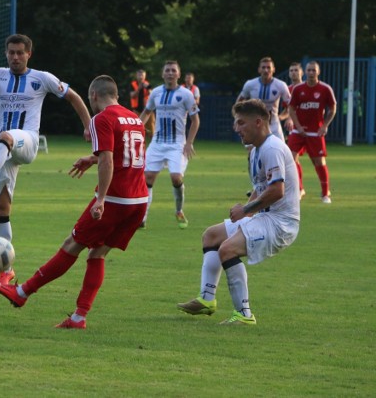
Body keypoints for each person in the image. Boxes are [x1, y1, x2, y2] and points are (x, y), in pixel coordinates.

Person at [0, 75, 148, 329]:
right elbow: (126, 154)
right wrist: (92, 158)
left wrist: (100, 199)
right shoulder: (134, 119)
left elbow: (109, 160)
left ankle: (21, 293)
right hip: (139, 200)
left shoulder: (102, 119)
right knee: (98, 253)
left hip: (115, 199)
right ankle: (79, 317)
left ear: (94, 96)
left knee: (71, 245)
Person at [0, 31, 92, 285]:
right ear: (6, 54)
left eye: (20, 53)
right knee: (1, 208)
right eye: (11, 52)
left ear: (29, 54)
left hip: (26, 141)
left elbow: (74, 97)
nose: (15, 57)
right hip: (3, 150)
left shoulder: (42, 78)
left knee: (5, 136)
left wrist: (87, 126)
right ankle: (6, 269)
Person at [177, 99, 300, 325]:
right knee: (211, 235)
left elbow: (277, 190)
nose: (236, 129)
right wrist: (248, 212)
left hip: (281, 224)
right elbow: (261, 187)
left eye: (241, 123)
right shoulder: (256, 151)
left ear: (259, 122)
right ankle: (206, 300)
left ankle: (244, 315)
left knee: (227, 249)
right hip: (266, 216)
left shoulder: (272, 148)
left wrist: (245, 210)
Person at [139, 61, 199, 229]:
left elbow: (195, 120)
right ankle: (142, 218)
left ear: (178, 74)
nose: (170, 73)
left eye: (174, 70)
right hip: (157, 143)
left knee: (176, 177)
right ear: (163, 74)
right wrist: (135, 130)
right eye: (167, 70)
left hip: (177, 144)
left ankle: (179, 210)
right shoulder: (156, 93)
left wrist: (189, 143)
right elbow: (146, 112)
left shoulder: (186, 94)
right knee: (147, 179)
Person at [286, 61, 337, 203]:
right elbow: (291, 109)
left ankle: (325, 193)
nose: (311, 73)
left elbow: (333, 108)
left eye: (313, 70)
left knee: (319, 162)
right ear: (305, 72)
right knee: (291, 158)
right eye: (308, 70)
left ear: (318, 72)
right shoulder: (298, 89)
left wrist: (324, 125)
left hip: (316, 132)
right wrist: (298, 126)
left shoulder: (325, 89)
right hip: (298, 131)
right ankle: (299, 189)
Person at [237, 57, 291, 140]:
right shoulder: (250, 84)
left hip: (273, 123)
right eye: (263, 67)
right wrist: (239, 119)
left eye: (268, 67)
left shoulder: (281, 85)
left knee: (281, 150)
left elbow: (291, 105)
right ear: (259, 70)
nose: (266, 70)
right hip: (254, 124)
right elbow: (239, 103)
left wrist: (290, 118)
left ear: (273, 69)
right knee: (252, 150)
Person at [129, 69, 153, 136]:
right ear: (136, 75)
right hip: (136, 110)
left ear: (145, 76)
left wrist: (148, 89)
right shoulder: (133, 84)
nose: (141, 77)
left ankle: (152, 141)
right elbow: (132, 96)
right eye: (139, 75)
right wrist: (139, 88)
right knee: (136, 128)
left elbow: (152, 95)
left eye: (142, 75)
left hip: (147, 110)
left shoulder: (147, 84)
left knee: (152, 127)